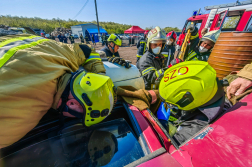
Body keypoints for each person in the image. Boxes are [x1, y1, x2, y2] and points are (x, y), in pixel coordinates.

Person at [0, 33, 116, 149]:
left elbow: (88, 50)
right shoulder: (22, 119)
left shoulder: (65, 56)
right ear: (71, 103)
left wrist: (100, 75)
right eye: (79, 117)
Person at [159, 61, 228, 145]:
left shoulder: (196, 129)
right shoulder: (207, 95)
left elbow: (170, 144)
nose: (171, 106)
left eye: (172, 105)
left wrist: (162, 125)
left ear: (187, 100)